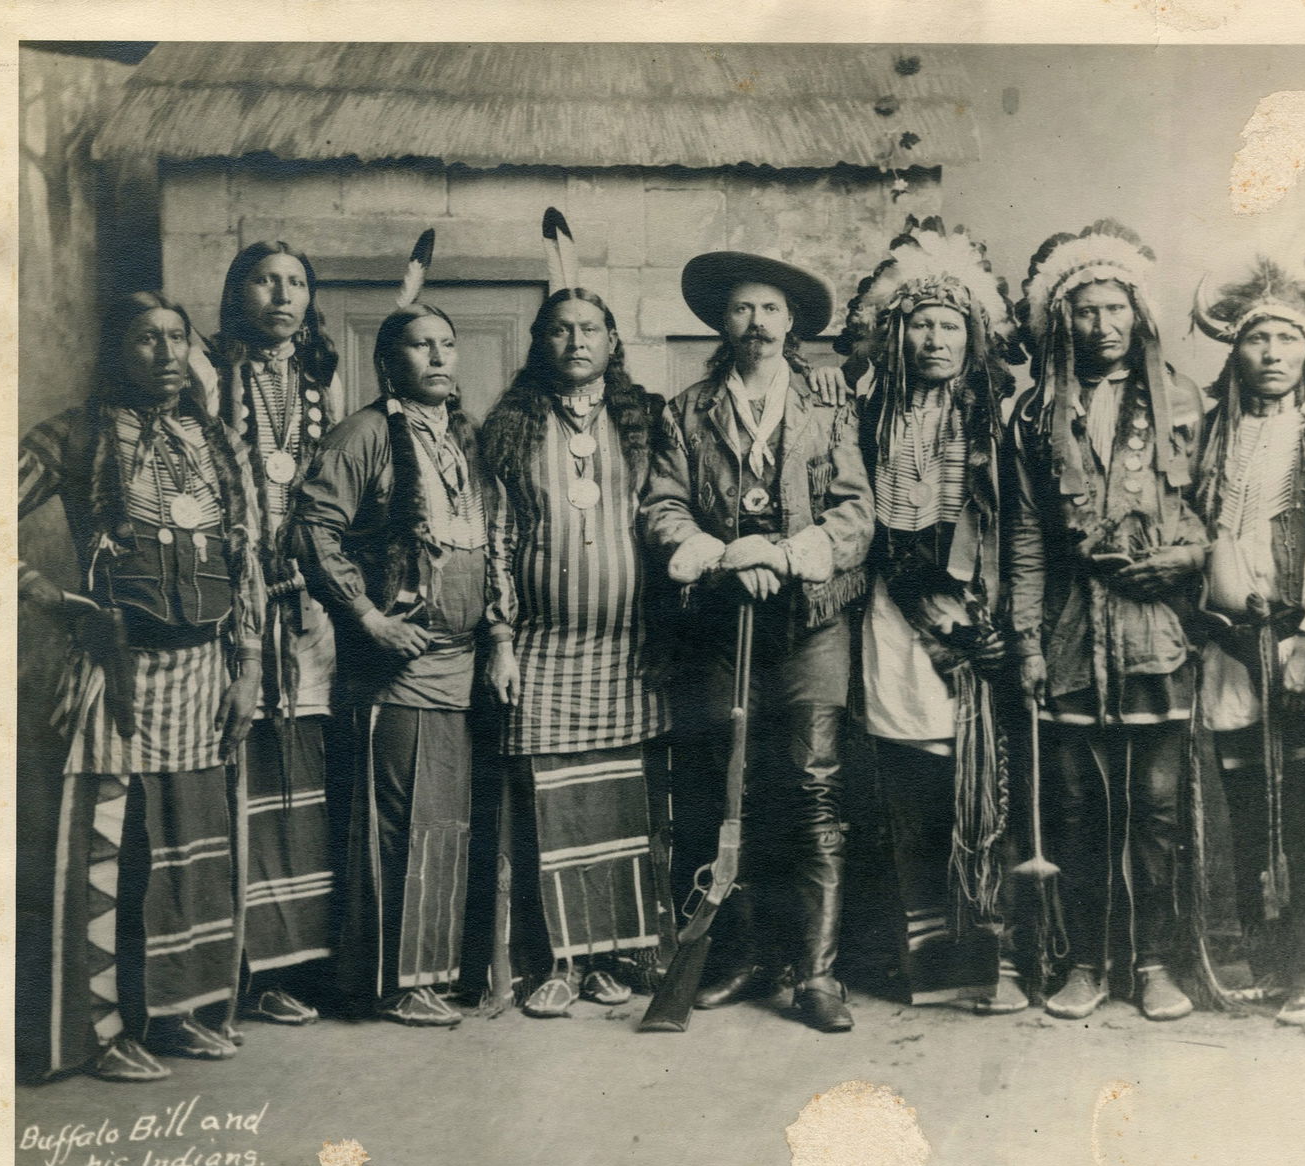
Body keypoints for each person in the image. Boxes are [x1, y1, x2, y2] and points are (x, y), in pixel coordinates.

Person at [18, 291, 264, 1080]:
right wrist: (41, 591)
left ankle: (178, 1012)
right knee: (111, 852)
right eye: (144, 340)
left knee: (191, 848)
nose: (163, 353)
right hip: (117, 671)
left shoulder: (213, 440)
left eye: (174, 338)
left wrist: (249, 665)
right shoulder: (75, 433)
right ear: (115, 353)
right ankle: (100, 1032)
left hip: (204, 670)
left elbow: (245, 561)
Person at [641, 251, 874, 1033]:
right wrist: (721, 558)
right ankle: (738, 956)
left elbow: (854, 513)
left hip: (810, 623)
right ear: (721, 324)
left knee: (809, 787)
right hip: (717, 624)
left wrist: (781, 554)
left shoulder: (830, 406)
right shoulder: (685, 411)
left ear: (793, 323)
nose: (756, 323)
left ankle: (815, 974)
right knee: (723, 789)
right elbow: (663, 509)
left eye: (770, 309)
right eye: (741, 309)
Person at [1006, 221, 1209, 1022]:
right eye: (1085, 312)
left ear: (1138, 314)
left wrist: (1188, 561)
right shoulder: (1034, 414)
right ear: (1064, 322)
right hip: (1069, 632)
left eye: (1114, 309)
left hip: (1157, 629)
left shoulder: (1186, 400)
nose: (1101, 326)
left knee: (1156, 809)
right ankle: (1085, 963)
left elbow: (1214, 507)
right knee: (1080, 806)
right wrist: (1025, 637)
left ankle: (1155, 963)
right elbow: (1024, 534)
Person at [292, 297, 501, 1028]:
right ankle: (390, 980)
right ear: (388, 362)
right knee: (397, 821)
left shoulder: (465, 440)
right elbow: (314, 529)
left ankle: (436, 972)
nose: (439, 356)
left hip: (462, 663)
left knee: (445, 819)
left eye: (447, 343)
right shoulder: (366, 433)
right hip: (396, 667)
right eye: (421, 345)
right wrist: (369, 617)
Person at [837, 217, 1027, 1012]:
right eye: (921, 325)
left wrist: (992, 622)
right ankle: (921, 963)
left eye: (951, 326)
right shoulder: (863, 412)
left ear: (972, 334)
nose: (936, 340)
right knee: (905, 782)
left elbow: (1020, 528)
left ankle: (989, 960)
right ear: (898, 334)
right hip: (890, 620)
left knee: (978, 783)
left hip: (974, 626)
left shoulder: (999, 420)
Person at [478, 282, 674, 1018]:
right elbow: (497, 541)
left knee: (621, 808)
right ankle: (553, 962)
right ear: (541, 343)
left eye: (590, 328)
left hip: (631, 646)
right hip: (541, 647)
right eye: (560, 330)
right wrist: (499, 639)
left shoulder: (647, 422)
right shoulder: (509, 429)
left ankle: (610, 956)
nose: (576, 341)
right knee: (547, 807)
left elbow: (670, 515)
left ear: (613, 342)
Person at [1188, 253, 1305, 1026]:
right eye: (1257, 339)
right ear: (1235, 350)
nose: (1271, 354)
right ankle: (1267, 961)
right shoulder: (1209, 432)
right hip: (1229, 642)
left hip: (1303, 643)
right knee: (1247, 803)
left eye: (1286, 341)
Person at [213, 241, 345, 1027]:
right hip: (229, 614)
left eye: (297, 282)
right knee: (240, 777)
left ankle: (295, 965)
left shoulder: (319, 384)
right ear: (239, 293)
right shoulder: (207, 377)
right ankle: (236, 965)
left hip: (306, 612)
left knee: (303, 780)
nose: (282, 295)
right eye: (266, 280)